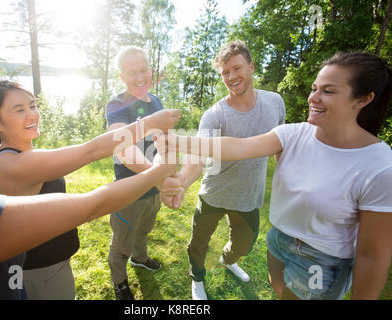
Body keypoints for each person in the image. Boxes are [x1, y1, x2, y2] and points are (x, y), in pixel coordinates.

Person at [0, 42, 180, 299]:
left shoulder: (22, 155)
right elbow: (89, 154)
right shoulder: (14, 164)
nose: (32, 115)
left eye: (32, 105)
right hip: (41, 273)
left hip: (49, 265)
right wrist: (155, 157)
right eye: (19, 110)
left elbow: (85, 151)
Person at [163, 51, 392, 300]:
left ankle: (228, 260)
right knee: (277, 287)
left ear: (363, 99)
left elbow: (373, 254)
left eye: (328, 91)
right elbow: (238, 147)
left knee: (248, 249)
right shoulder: (291, 133)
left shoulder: (379, 165)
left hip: (319, 259)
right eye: (315, 88)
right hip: (275, 237)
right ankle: (197, 276)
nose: (313, 97)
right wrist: (177, 145)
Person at [160, 40, 285, 300]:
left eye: (236, 69)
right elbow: (198, 154)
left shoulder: (275, 103)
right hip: (214, 194)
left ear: (251, 67)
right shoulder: (214, 115)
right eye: (225, 73)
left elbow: (279, 144)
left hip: (249, 197)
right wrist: (182, 179)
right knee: (198, 244)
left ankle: (228, 260)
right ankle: (197, 277)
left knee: (245, 244)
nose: (231, 77)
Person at [105, 46, 180, 300]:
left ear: (151, 70)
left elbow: (162, 139)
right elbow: (123, 148)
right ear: (121, 76)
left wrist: (165, 169)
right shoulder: (118, 105)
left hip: (153, 189)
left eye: (143, 70)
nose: (139, 77)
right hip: (128, 190)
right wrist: (158, 174)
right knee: (121, 242)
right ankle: (120, 282)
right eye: (131, 72)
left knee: (143, 229)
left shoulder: (156, 101)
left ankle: (140, 258)